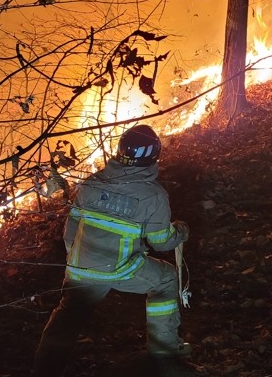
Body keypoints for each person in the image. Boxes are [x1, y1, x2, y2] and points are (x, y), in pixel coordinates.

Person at [33, 124, 191, 375]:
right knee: (165, 278)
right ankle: (164, 354)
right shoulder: (154, 196)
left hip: (80, 264)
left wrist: (77, 259)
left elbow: (71, 229)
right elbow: (161, 241)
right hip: (121, 267)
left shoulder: (92, 183)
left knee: (70, 311)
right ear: (154, 156)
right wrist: (180, 232)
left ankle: (44, 368)